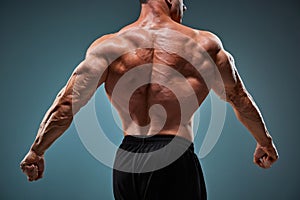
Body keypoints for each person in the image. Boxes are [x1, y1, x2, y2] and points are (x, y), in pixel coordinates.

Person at [20, 0, 279, 199]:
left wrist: (36, 151)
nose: (185, 8)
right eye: (182, 1)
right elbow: (238, 98)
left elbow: (66, 104)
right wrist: (264, 142)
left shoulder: (108, 46)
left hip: (126, 161)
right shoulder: (203, 43)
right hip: (173, 159)